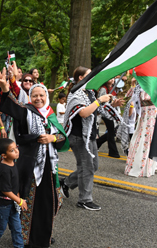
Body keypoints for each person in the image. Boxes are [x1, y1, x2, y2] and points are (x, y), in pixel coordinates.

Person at [0, 68, 69, 248]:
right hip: (31, 166)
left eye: (41, 95)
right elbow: (13, 108)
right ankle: (26, 238)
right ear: (30, 97)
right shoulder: (26, 111)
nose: (38, 99)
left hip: (50, 167)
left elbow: (62, 136)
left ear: (46, 96)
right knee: (29, 201)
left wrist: (52, 137)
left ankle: (44, 235)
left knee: (48, 202)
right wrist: (6, 89)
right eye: (34, 95)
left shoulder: (50, 114)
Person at [62, 67, 122, 211]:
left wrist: (111, 104)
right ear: (81, 78)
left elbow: (97, 109)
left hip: (90, 135)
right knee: (87, 167)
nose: (93, 77)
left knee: (92, 166)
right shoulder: (74, 93)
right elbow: (83, 112)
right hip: (78, 136)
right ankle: (84, 199)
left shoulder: (89, 92)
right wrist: (99, 100)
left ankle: (66, 183)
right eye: (90, 75)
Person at [0, 138, 36, 248]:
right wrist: (19, 201)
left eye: (16, 148)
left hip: (12, 202)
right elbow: (6, 190)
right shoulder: (4, 169)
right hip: (2, 204)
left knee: (17, 227)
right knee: (1, 226)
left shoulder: (13, 164)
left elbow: (14, 186)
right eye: (12, 150)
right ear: (4, 155)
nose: (16, 152)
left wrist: (17, 199)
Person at [125, 87, 157, 177]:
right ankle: (140, 167)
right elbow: (140, 98)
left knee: (148, 139)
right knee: (144, 138)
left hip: (151, 115)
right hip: (147, 115)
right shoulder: (143, 86)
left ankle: (148, 168)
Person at [96, 78, 120, 158]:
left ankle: (97, 142)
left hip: (112, 112)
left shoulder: (113, 89)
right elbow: (101, 101)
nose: (112, 80)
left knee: (112, 131)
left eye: (113, 78)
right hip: (105, 112)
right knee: (111, 130)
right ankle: (113, 151)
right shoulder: (104, 89)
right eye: (110, 78)